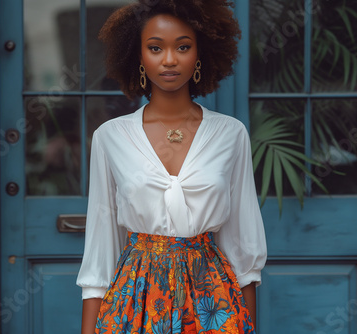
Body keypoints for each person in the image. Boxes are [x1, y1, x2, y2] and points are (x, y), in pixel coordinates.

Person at [76, 0, 267, 333]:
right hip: (134, 303)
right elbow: (100, 249)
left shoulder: (230, 134)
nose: (169, 59)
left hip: (213, 304)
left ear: (199, 54)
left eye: (182, 46)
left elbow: (243, 246)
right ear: (137, 56)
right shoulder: (111, 137)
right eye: (155, 47)